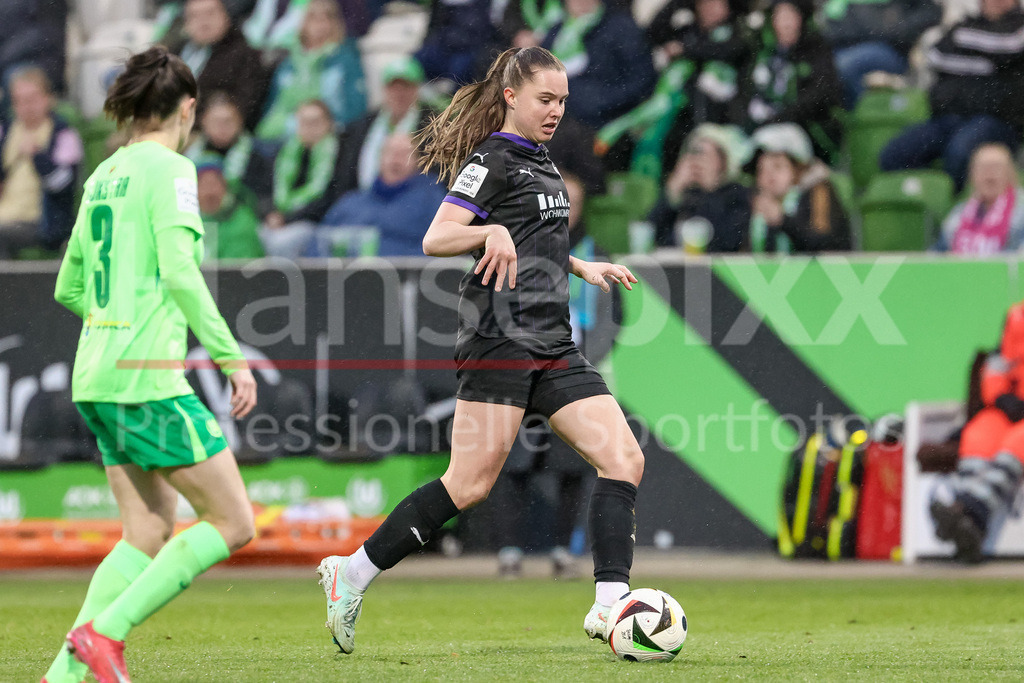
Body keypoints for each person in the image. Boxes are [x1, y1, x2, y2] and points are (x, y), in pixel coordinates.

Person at [315, 46, 644, 654]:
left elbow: (530, 240)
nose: (555, 111)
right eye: (545, 99)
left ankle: (609, 607)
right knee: (468, 485)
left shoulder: (542, 162)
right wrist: (487, 229)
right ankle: (351, 573)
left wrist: (579, 264)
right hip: (500, 339)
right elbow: (437, 236)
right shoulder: (491, 157)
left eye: (563, 101)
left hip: (553, 342)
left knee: (624, 459)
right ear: (512, 96)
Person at [44, 46, 257, 683]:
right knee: (233, 520)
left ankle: (64, 675)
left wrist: (112, 320)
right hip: (144, 376)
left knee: (146, 529)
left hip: (97, 373)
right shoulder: (170, 169)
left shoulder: (103, 174)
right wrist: (229, 356)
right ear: (187, 108)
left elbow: (67, 287)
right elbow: (180, 272)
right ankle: (104, 635)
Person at [879, 0, 1024, 191]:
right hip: (949, 118)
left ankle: (955, 206)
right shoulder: (967, 24)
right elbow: (935, 54)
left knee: (958, 152)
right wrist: (985, 63)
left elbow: (1008, 45)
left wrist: (963, 41)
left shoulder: (1017, 27)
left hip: (996, 121)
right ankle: (927, 201)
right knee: (895, 154)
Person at [595, 0, 749, 179]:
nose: (709, 9)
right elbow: (653, 32)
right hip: (664, 107)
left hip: (706, 117)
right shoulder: (687, 29)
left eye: (717, 4)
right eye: (704, 4)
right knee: (626, 142)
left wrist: (686, 50)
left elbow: (727, 50)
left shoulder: (736, 34)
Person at [930, 301, 1024, 563]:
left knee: (1017, 443)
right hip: (1011, 406)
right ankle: (968, 525)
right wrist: (1002, 397)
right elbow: (998, 363)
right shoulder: (1016, 315)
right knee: (978, 434)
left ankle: (968, 512)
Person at [739, 0, 843, 164]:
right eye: (780, 15)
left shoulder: (816, 50)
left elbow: (820, 95)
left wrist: (776, 120)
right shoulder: (760, 50)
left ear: (802, 19)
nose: (786, 22)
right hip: (753, 125)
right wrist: (746, 120)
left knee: (767, 144)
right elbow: (743, 90)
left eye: (791, 15)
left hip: (799, 128)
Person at [256, 0, 367, 143]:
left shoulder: (346, 59)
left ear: (335, 23)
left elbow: (356, 109)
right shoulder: (288, 63)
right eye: (313, 18)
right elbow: (273, 106)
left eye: (327, 17)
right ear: (304, 23)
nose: (320, 25)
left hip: (332, 135)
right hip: (285, 135)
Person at [0, 66, 82, 259]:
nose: (27, 106)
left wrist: (38, 157)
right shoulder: (7, 131)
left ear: (47, 98)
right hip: (6, 212)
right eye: (20, 100)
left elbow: (63, 185)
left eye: (32, 98)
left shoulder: (63, 133)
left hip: (40, 222)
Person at [318, 132, 445, 256]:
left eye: (404, 154)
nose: (396, 160)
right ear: (380, 158)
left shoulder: (431, 200)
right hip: (344, 275)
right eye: (391, 152)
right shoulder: (350, 202)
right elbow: (319, 245)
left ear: (418, 161)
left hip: (406, 275)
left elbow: (441, 248)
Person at [335, 55, 433, 195]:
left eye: (406, 87)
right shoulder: (362, 125)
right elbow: (345, 173)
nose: (399, 94)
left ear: (417, 89)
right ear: (384, 89)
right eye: (394, 87)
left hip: (411, 201)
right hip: (363, 200)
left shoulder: (434, 127)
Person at [746, 123, 851, 253]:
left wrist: (782, 220)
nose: (769, 176)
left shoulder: (819, 191)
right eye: (761, 170)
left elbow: (824, 243)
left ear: (799, 168)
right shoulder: (752, 200)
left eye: (778, 166)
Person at [260, 99, 344, 258]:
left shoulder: (338, 155)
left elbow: (328, 200)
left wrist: (287, 218)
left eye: (315, 122)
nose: (309, 128)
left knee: (282, 242)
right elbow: (266, 190)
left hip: (316, 223)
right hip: (281, 220)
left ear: (329, 124)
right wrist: (271, 213)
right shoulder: (285, 153)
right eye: (304, 122)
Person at [648, 123, 751, 251]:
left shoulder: (737, 193)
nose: (697, 162)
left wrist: (709, 191)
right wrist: (673, 192)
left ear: (722, 162)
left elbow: (727, 241)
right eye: (693, 154)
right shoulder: (684, 193)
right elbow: (653, 234)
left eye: (705, 155)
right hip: (676, 266)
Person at [822, 0, 941, 108]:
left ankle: (857, 113)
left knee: (841, 66)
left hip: (888, 48)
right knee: (818, 67)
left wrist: (898, 28)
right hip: (843, 44)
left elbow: (931, 12)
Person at [170, 0, 268, 129]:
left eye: (210, 13)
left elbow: (245, 106)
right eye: (194, 16)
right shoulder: (174, 52)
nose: (203, 22)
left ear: (226, 16)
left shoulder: (245, 55)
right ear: (185, 22)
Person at [184, 92, 274, 213]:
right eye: (216, 121)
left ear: (239, 122)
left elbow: (264, 198)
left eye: (228, 121)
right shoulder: (189, 155)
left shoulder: (257, 156)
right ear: (203, 121)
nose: (222, 127)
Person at [935, 143, 1024, 254]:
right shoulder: (958, 214)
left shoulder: (1021, 211)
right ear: (972, 175)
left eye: (996, 167)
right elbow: (937, 256)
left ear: (1010, 173)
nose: (989, 174)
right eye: (983, 168)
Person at [197, 154, 265, 259]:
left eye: (213, 184)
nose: (209, 192)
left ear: (224, 185)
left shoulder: (241, 220)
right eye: (203, 184)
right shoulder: (188, 220)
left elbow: (237, 267)